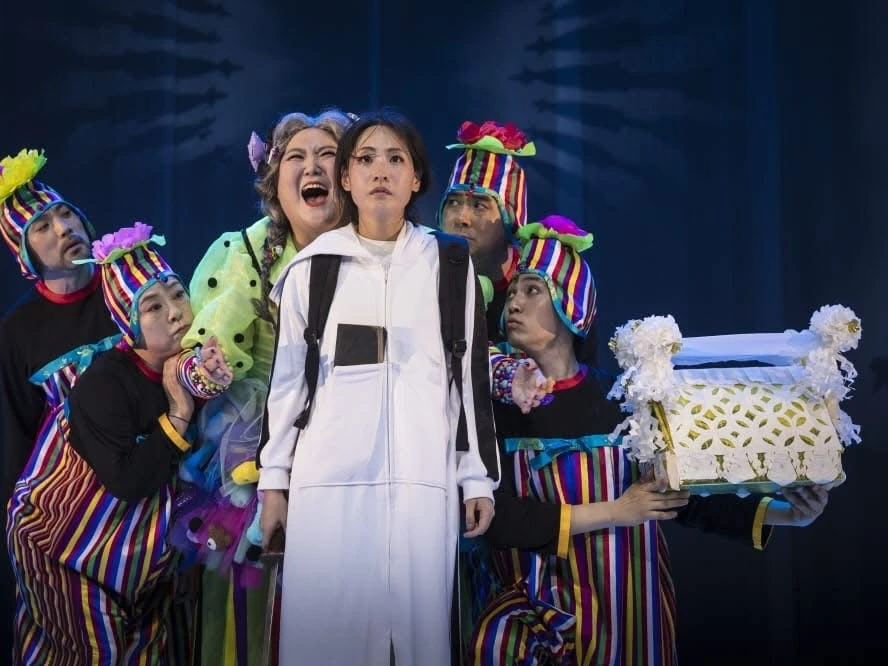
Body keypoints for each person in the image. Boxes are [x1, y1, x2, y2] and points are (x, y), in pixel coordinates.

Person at [468, 215, 831, 665]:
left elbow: (685, 497)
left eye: (532, 290)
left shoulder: (624, 399)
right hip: (536, 604)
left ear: (570, 306)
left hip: (628, 610)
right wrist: (617, 511)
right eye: (513, 293)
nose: (514, 303)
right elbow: (499, 517)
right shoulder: (498, 408)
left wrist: (790, 513)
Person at [256, 109, 501, 666]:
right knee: (324, 644)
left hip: (421, 485)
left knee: (417, 645)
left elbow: (468, 379)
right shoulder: (312, 270)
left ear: (416, 178)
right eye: (365, 159)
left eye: (395, 158)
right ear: (346, 178)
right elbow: (288, 386)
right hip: (328, 489)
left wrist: (476, 478)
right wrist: (274, 484)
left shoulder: (449, 264)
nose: (380, 171)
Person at [180, 109, 355, 666]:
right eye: (296, 157)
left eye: (327, 156)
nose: (312, 166)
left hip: (354, 455)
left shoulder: (379, 251)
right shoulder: (248, 252)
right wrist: (205, 369)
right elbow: (202, 351)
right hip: (256, 455)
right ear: (275, 183)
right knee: (257, 626)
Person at [6, 222, 205, 664]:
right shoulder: (104, 383)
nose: (176, 313)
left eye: (178, 294)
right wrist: (178, 413)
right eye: (153, 307)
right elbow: (128, 480)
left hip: (138, 555)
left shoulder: (191, 365)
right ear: (129, 325)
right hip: (65, 551)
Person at [438, 121, 600, 413]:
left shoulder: (547, 281)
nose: (462, 218)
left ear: (510, 218)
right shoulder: (428, 278)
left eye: (479, 205)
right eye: (452, 203)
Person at [0, 148, 119, 502]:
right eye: (42, 227)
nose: (64, 229)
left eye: (65, 213)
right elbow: (21, 433)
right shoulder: (19, 329)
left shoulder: (124, 282)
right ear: (25, 252)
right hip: (79, 497)